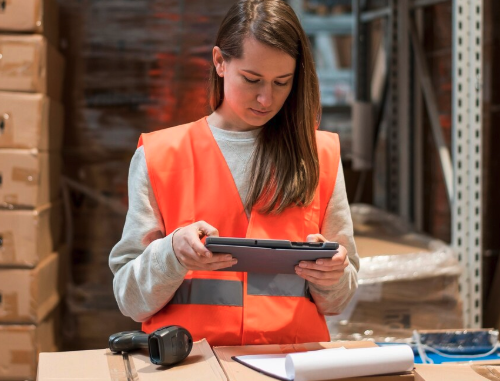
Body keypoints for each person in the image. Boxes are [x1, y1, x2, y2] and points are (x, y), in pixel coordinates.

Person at [109, 0, 359, 347]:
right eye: (252, 79)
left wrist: (331, 277)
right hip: (193, 367)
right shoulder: (160, 155)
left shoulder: (320, 156)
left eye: (282, 82)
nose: (265, 98)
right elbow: (130, 300)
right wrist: (173, 255)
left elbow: (339, 301)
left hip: (290, 365)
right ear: (220, 62)